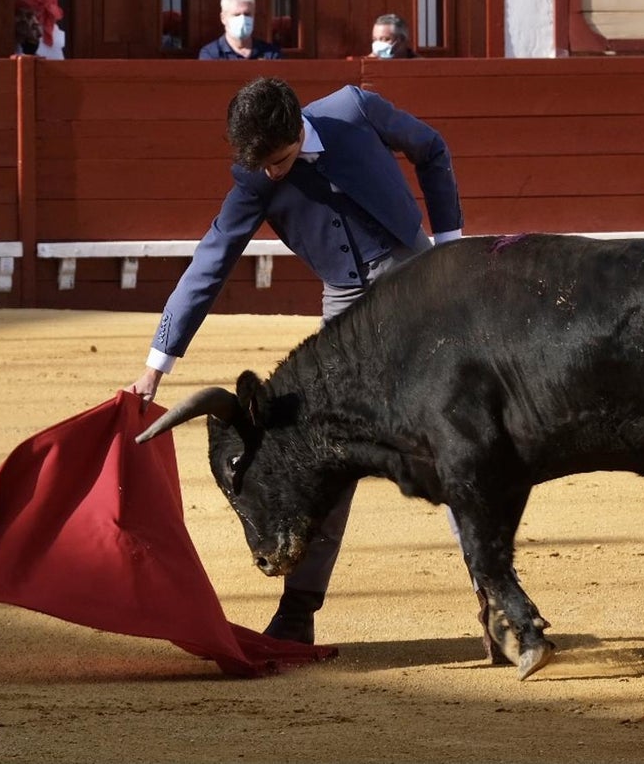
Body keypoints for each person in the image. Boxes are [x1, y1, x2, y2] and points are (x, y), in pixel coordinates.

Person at [125, 77, 471, 653]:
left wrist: (454, 245)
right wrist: (157, 365)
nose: (274, 175)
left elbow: (430, 147)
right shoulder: (255, 177)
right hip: (344, 311)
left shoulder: (352, 110)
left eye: (282, 162)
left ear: (298, 132)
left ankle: (495, 596)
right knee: (327, 450)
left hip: (419, 285)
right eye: (263, 167)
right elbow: (209, 265)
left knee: (449, 438)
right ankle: (297, 613)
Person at [199, 0, 281, 60]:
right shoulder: (211, 54)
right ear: (223, 18)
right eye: (236, 14)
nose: (243, 19)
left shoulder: (271, 53)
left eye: (247, 14)